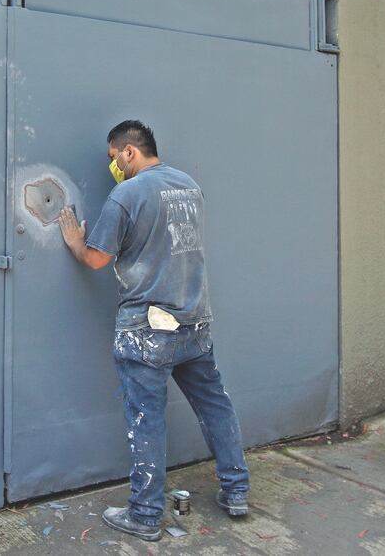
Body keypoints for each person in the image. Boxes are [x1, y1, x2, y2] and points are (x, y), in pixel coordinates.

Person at [58, 120, 250, 542]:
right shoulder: (188, 185)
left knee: (146, 420)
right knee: (215, 406)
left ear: (129, 151)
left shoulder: (126, 194)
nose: (113, 167)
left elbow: (95, 260)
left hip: (147, 330)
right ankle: (237, 491)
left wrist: (74, 242)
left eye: (113, 158)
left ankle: (145, 515)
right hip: (194, 321)